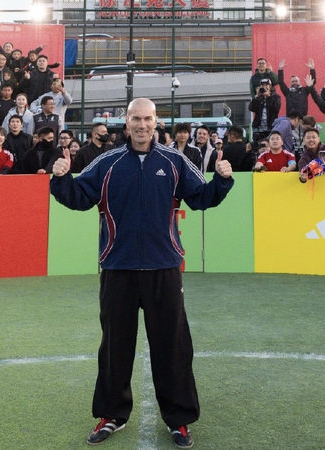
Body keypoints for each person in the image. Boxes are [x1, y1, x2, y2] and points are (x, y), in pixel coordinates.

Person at [49, 97, 233, 450]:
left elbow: (202, 197)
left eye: (148, 119)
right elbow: (78, 197)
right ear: (126, 121)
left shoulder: (176, 161)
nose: (142, 125)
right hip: (117, 268)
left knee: (173, 347)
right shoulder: (108, 162)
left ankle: (178, 420)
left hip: (164, 267)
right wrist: (61, 179)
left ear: (156, 122)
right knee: (115, 347)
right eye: (136, 119)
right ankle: (112, 414)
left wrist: (221, 181)